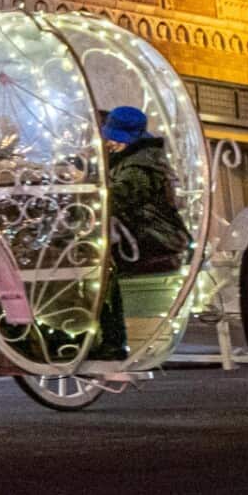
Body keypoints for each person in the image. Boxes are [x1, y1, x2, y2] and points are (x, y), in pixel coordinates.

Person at [93, 106, 192, 361]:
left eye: (115, 138)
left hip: (155, 236)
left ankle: (114, 340)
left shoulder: (141, 165)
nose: (110, 143)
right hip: (137, 233)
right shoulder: (128, 159)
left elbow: (118, 198)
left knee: (102, 266)